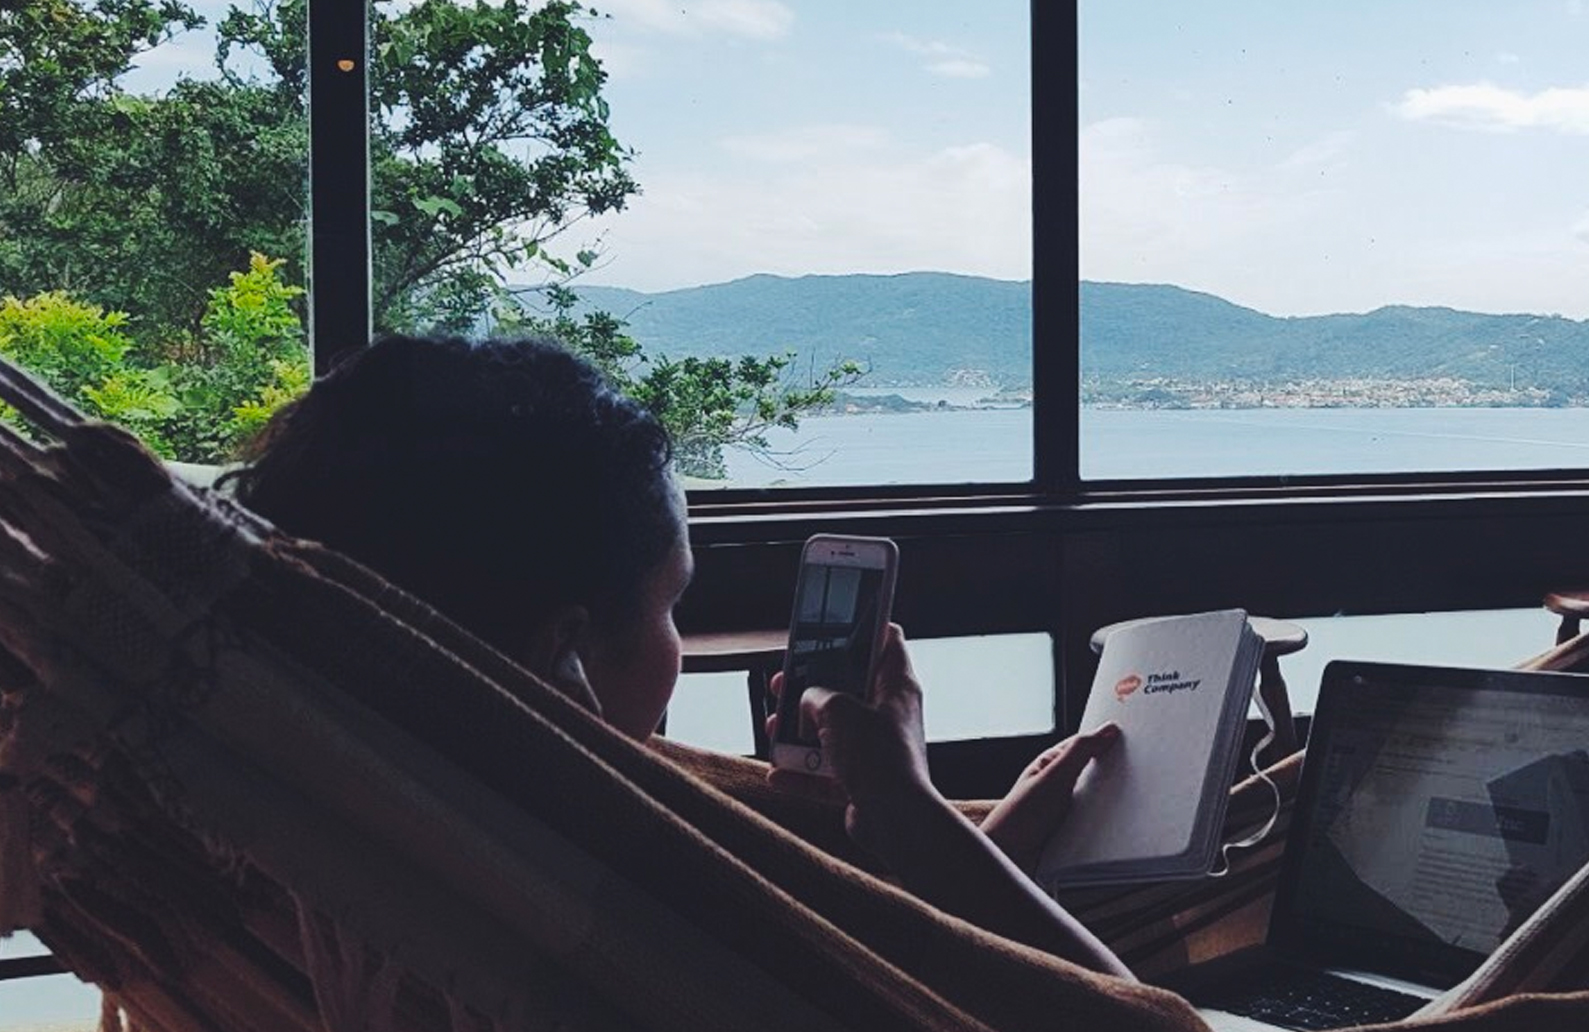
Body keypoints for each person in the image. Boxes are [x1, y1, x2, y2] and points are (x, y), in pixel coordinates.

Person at [224, 333, 1132, 978]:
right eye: (673, 603)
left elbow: (876, 955)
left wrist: (968, 847)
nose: (676, 643)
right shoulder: (615, 907)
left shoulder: (328, 824)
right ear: (562, 653)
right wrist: (916, 816)